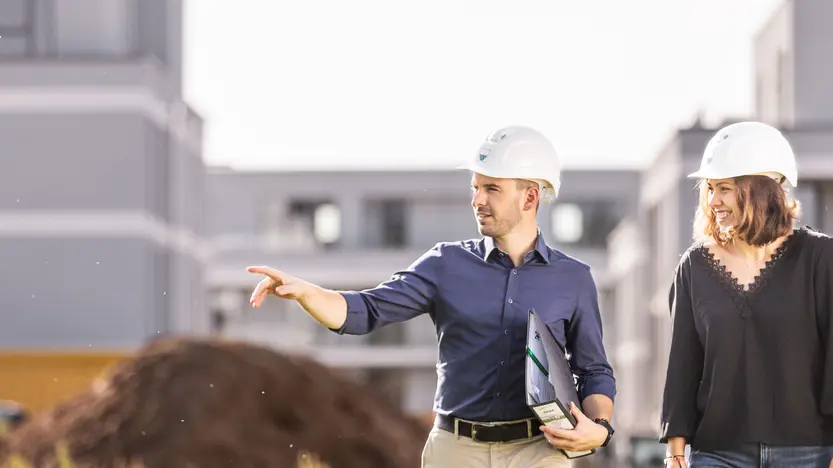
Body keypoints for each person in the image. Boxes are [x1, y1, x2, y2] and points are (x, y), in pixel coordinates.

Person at [247, 125, 617, 467]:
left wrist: (599, 428)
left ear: (530, 197)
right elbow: (365, 311)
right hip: (455, 452)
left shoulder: (574, 279)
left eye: (491, 189)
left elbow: (593, 370)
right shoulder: (444, 264)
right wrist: (308, 293)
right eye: (475, 187)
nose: (477, 200)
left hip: (538, 452)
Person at [660, 120, 833, 467]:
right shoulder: (694, 266)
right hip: (717, 453)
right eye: (710, 189)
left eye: (724, 188)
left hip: (808, 452)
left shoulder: (821, 258)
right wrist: (675, 450)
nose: (713, 201)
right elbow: (683, 363)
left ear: (760, 190)